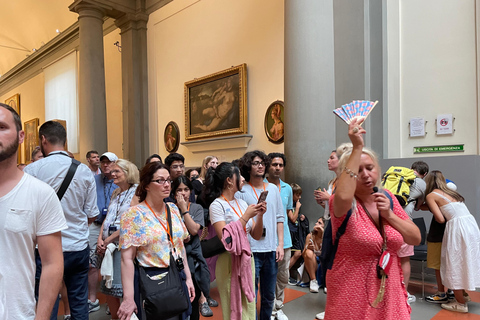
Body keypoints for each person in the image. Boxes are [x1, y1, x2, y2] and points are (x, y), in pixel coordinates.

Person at [324, 118, 420, 320]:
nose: (366, 175)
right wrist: (357, 146)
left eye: (370, 167)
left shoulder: (388, 198)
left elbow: (415, 238)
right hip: (351, 290)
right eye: (358, 171)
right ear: (346, 176)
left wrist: (390, 215)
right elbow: (342, 195)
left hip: (389, 285)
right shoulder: (341, 203)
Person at [24, 120, 99, 320]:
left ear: (43, 140)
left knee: (47, 302)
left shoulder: (32, 171)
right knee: (79, 302)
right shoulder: (83, 171)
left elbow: (27, 212)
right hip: (77, 246)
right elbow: (92, 213)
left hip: (45, 248)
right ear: (65, 142)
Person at [0, 103, 67, 319]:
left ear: (21, 136)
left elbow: (52, 263)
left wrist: (41, 317)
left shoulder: (40, 194)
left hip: (16, 313)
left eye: (1, 127)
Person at [117, 162, 195, 320]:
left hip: (177, 274)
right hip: (153, 279)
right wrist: (128, 298)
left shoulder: (172, 209)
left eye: (168, 180)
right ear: (146, 185)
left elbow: (179, 247)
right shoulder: (134, 215)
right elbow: (127, 259)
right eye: (160, 180)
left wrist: (188, 278)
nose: (167, 185)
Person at [203, 162, 266, 320]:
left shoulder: (242, 203)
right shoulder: (217, 205)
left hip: (246, 260)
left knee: (249, 307)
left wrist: (259, 215)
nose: (243, 179)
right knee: (233, 307)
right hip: (229, 262)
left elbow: (256, 236)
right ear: (229, 180)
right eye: (240, 175)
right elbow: (226, 240)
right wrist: (246, 217)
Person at [237, 150, 284, 320]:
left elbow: (280, 218)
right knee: (252, 295)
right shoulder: (241, 191)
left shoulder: (272, 188)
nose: (260, 166)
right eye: (256, 163)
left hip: (271, 249)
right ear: (248, 167)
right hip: (251, 249)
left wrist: (280, 244)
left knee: (269, 295)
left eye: (262, 163)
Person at [424, 170, 480, 313]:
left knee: (453, 262)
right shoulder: (452, 193)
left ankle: (460, 304)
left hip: (456, 228)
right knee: (466, 260)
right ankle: (464, 296)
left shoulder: (431, 195)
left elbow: (440, 219)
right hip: (471, 226)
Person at [96, 159, 139, 319]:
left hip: (124, 247)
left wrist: (108, 240)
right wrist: (100, 238)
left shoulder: (136, 192)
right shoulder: (116, 192)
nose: (112, 174)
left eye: (116, 172)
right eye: (112, 171)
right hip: (109, 246)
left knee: (121, 291)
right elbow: (108, 218)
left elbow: (132, 223)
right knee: (109, 291)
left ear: (128, 174)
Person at [172, 176, 213, 319]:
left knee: (193, 297)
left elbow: (194, 230)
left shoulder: (196, 208)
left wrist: (184, 209)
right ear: (174, 193)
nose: (183, 193)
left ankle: (202, 301)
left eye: (186, 189)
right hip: (176, 257)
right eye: (179, 190)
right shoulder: (169, 209)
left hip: (193, 258)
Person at [88, 152, 119, 313]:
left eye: (109, 162)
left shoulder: (120, 181)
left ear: (116, 163)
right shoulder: (94, 181)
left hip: (115, 227)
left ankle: (111, 302)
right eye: (103, 162)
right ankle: (92, 299)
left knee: (114, 263)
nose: (105, 165)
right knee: (93, 262)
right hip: (96, 224)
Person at [266, 152, 293, 320]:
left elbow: (287, 211)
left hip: (285, 240)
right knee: (269, 276)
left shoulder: (287, 188)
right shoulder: (261, 186)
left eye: (280, 165)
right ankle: (270, 309)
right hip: (267, 240)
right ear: (268, 166)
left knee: (283, 276)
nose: (277, 168)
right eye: (274, 164)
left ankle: (278, 306)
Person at [288, 183, 309, 284]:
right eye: (297, 195)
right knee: (295, 253)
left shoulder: (294, 204)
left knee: (298, 253)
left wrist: (301, 216)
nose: (299, 197)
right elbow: (292, 218)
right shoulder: (289, 204)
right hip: (290, 232)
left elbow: (296, 217)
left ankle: (285, 272)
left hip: (296, 232)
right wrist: (297, 209)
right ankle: (284, 273)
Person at [302, 218, 325, 293]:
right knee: (308, 252)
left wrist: (322, 234)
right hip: (312, 262)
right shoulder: (310, 236)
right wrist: (307, 248)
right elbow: (303, 254)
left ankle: (326, 284)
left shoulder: (327, 237)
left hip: (324, 263)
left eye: (319, 223)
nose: (316, 224)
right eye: (316, 222)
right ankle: (313, 280)